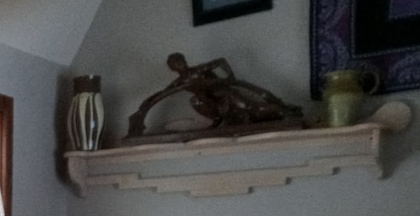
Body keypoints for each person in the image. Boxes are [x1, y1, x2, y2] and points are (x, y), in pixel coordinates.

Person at [126, 53, 303, 138]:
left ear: (184, 61)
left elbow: (221, 61)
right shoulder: (179, 83)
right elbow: (162, 94)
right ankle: (219, 121)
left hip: (226, 95)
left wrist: (229, 77)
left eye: (178, 62)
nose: (178, 66)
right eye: (174, 65)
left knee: (253, 109)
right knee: (195, 100)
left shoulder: (199, 71)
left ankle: (283, 111)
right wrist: (142, 111)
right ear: (173, 69)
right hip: (212, 106)